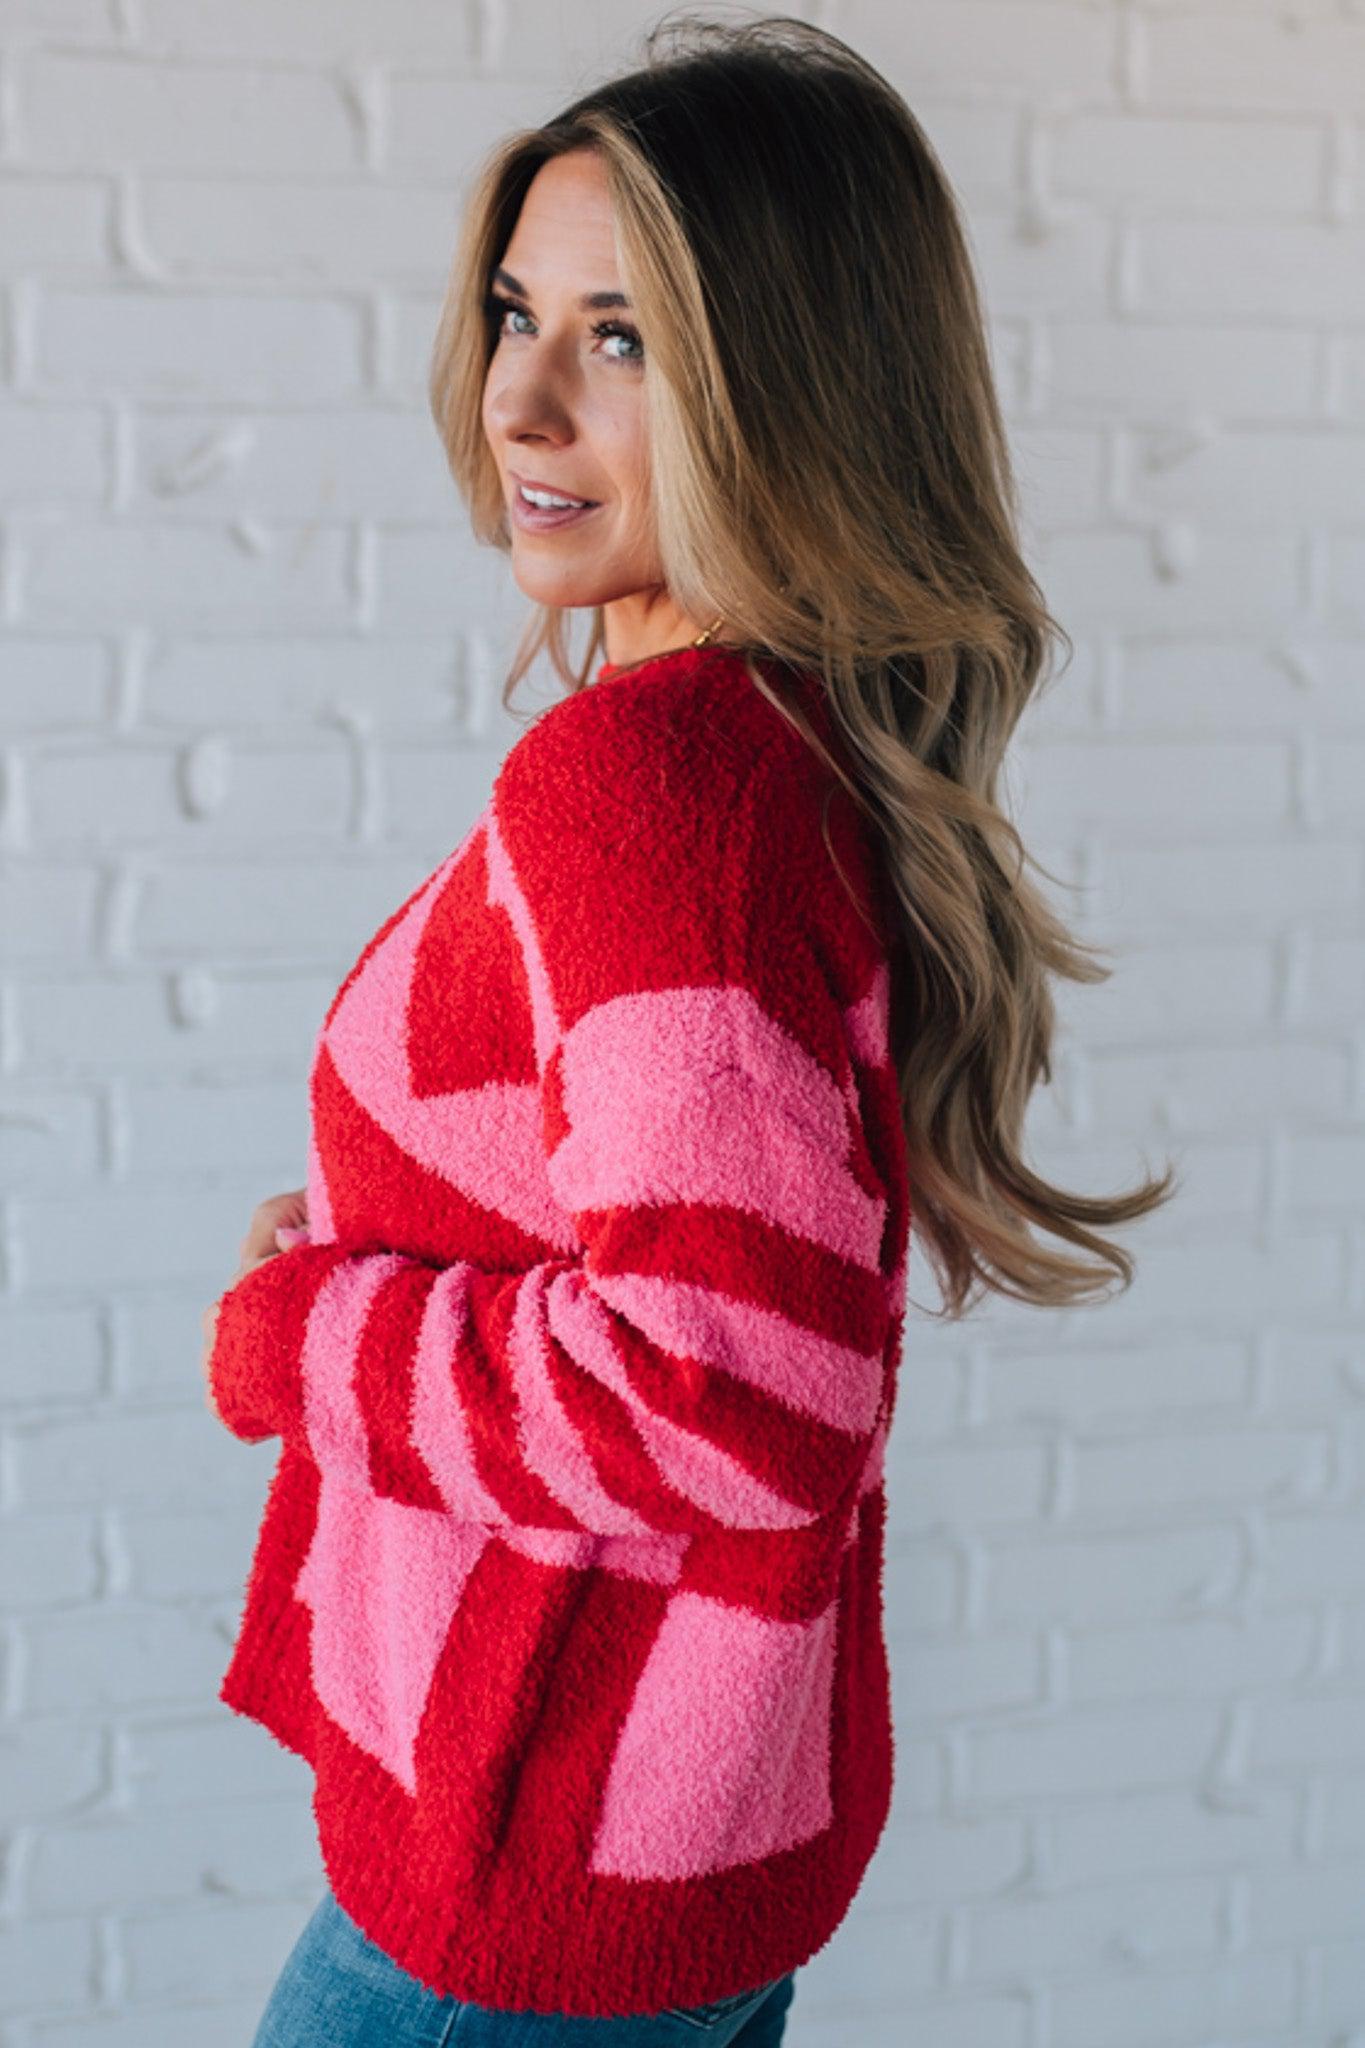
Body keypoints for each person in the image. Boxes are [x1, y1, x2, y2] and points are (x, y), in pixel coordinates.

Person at [202, 14, 1180, 2046]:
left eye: (621, 338)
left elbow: (728, 1393)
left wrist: (314, 1337)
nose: (524, 400)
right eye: (512, 314)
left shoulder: (640, 791)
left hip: (528, 1876)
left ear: (788, 388)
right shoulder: (765, 742)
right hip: (666, 1847)